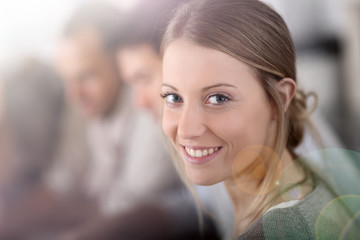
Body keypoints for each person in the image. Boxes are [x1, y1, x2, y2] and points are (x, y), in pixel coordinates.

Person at [160, 0, 360, 239]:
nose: (185, 129)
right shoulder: (302, 181)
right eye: (173, 97)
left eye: (218, 98)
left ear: (279, 100)